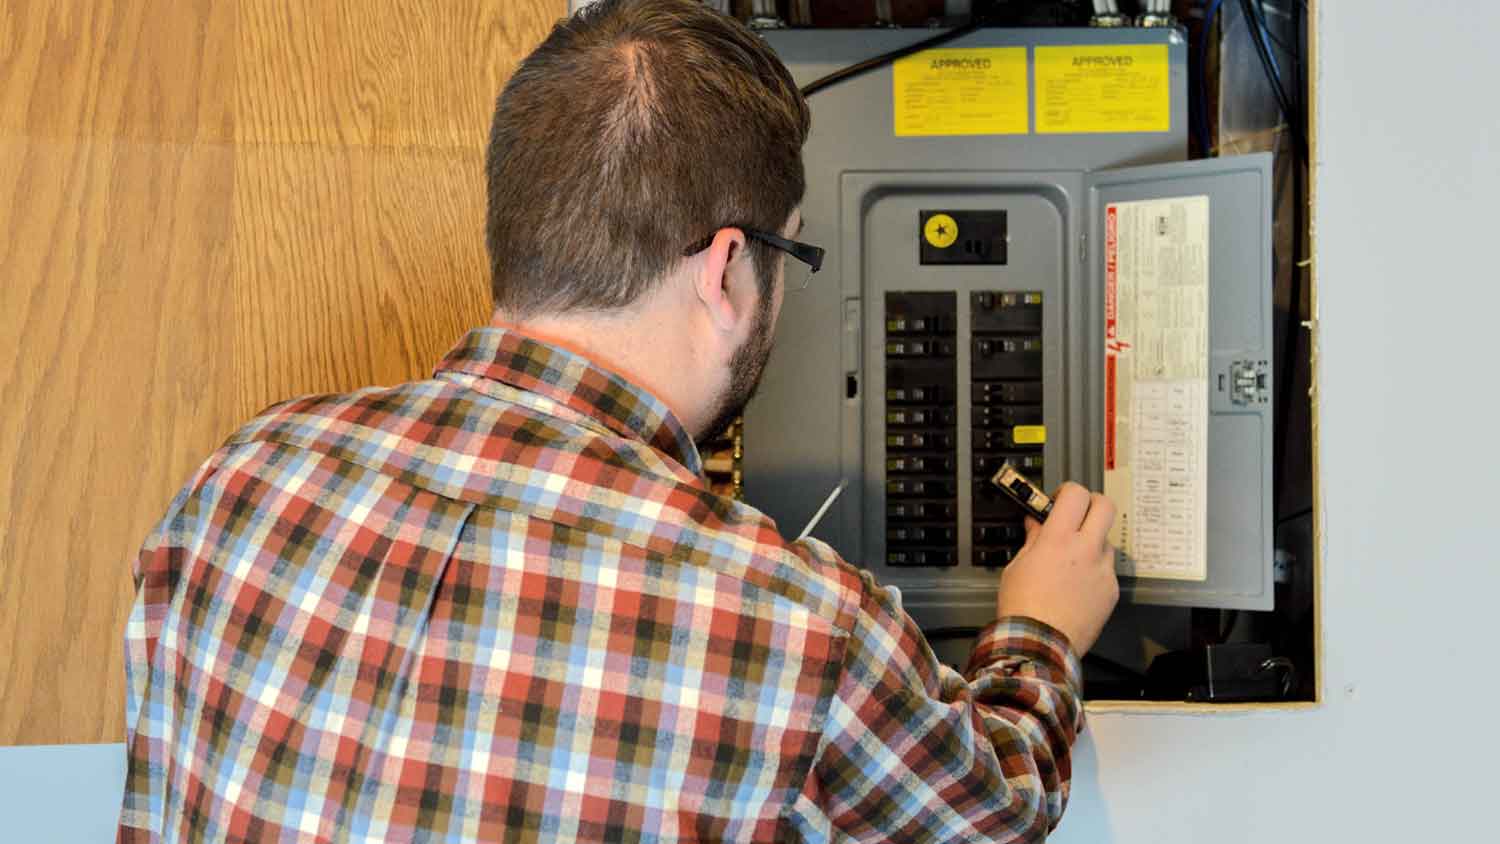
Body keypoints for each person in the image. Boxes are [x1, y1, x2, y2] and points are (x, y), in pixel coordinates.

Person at [118, 0, 1119, 840]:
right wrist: (1042, 627)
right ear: (728, 269)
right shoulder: (795, 629)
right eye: (790, 259)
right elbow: (994, 809)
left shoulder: (242, 480)